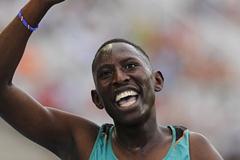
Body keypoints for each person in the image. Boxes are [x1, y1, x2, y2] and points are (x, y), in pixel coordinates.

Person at [0, 0, 223, 160]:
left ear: (157, 81)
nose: (119, 77)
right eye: (105, 74)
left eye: (130, 65)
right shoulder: (83, 143)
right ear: (97, 99)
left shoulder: (194, 150)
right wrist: (40, 4)